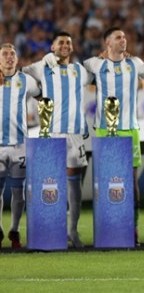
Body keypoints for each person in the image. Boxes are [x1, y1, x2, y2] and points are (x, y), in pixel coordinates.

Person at [83, 27, 144, 245]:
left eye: (125, 37)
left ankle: (133, 227)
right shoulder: (94, 64)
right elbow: (76, 75)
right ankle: (108, 226)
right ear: (107, 43)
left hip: (129, 128)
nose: (123, 40)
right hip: (104, 129)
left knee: (131, 178)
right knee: (105, 178)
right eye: (118, 37)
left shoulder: (134, 63)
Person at [23, 32, 94, 248]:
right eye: (61, 42)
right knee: (52, 182)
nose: (65, 45)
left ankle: (72, 229)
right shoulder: (42, 66)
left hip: (75, 132)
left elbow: (100, 75)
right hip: (51, 132)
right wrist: (38, 94)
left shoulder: (80, 70)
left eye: (68, 43)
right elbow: (21, 75)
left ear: (72, 48)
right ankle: (54, 229)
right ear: (53, 47)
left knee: (74, 180)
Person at [0, 44, 41, 249]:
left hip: (19, 145)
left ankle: (14, 230)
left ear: (17, 59)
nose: (9, 57)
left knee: (18, 191)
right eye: (5, 54)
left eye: (12, 54)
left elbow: (44, 96)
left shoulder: (26, 81)